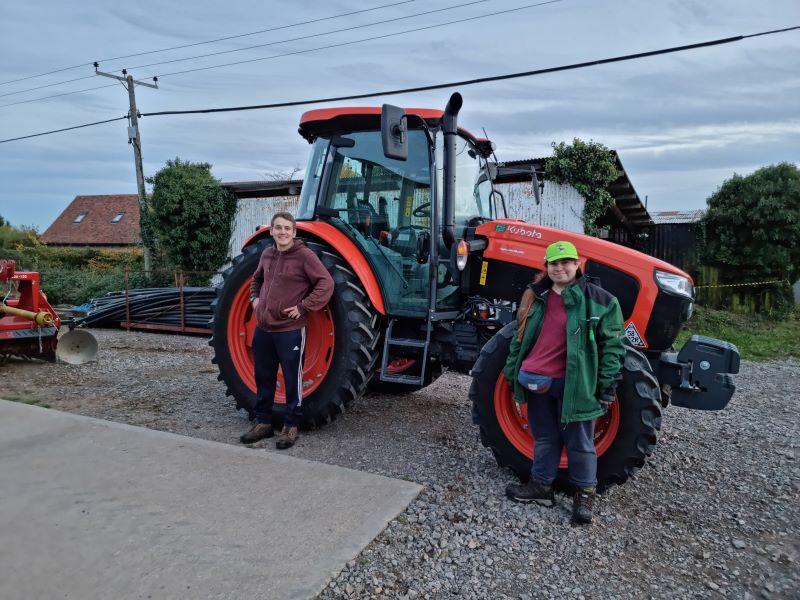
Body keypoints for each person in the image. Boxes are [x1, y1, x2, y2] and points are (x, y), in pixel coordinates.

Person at [503, 241, 625, 524]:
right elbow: (519, 339)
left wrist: (607, 384)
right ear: (546, 267)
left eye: (565, 263)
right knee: (544, 437)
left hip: (575, 385)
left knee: (580, 442)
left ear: (577, 263)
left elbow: (613, 347)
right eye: (554, 264)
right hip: (537, 382)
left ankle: (584, 496)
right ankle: (541, 487)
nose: (560, 268)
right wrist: (512, 374)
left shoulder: (601, 301)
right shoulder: (535, 296)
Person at [239, 212, 334, 449]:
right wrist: (254, 299)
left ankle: (291, 426)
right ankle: (263, 423)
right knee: (263, 376)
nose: (282, 232)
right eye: (278, 228)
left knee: (292, 378)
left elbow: (326, 283)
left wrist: (304, 307)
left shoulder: (304, 256)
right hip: (264, 328)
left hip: (289, 329)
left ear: (294, 232)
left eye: (287, 229)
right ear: (271, 231)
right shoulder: (267, 253)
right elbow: (256, 279)